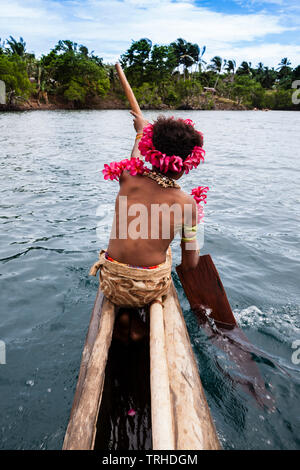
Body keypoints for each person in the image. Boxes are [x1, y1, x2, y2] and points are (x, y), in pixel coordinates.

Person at [90, 112, 208, 342]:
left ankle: (126, 319)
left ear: (149, 151)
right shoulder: (187, 204)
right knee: (164, 256)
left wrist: (140, 132)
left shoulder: (127, 178)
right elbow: (191, 263)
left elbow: (135, 160)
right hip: (148, 289)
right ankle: (136, 323)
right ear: (188, 164)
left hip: (111, 281)